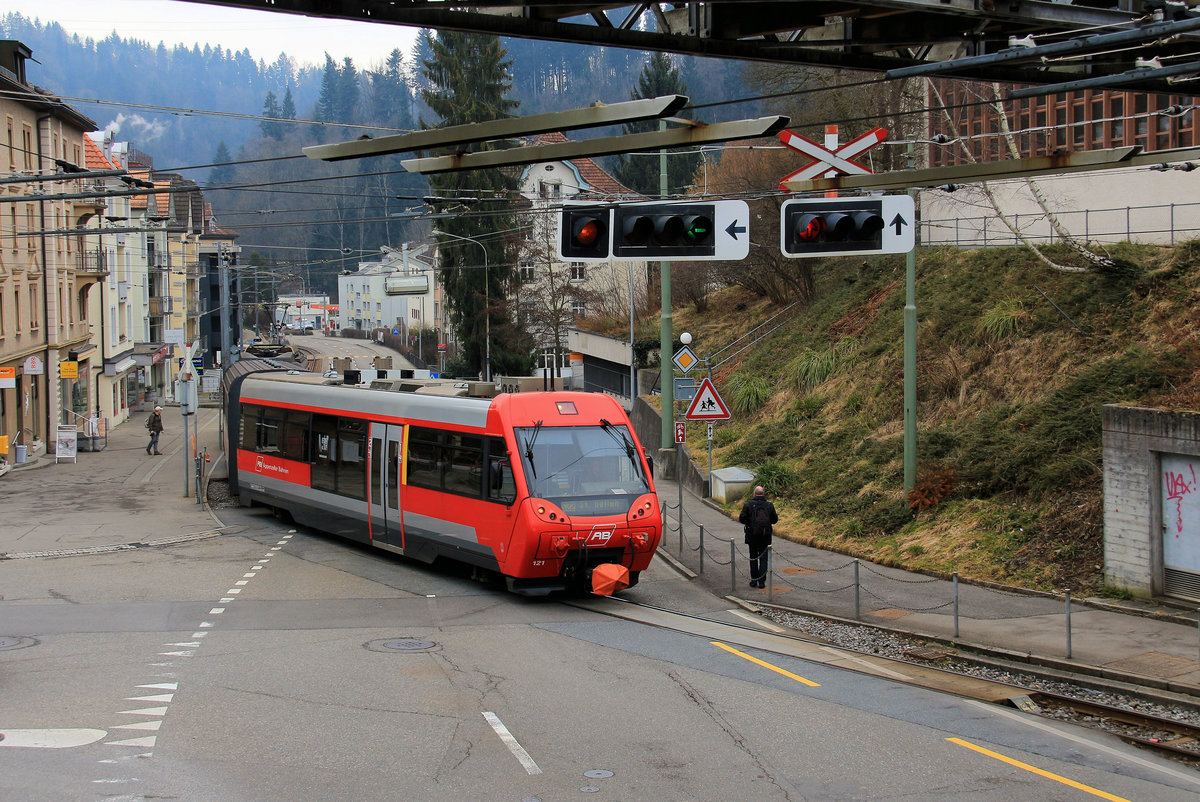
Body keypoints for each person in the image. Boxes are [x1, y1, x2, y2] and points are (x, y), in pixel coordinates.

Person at [739, 485, 778, 588]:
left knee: (753, 557)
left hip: (752, 535)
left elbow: (742, 518)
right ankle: (762, 582)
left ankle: (754, 580)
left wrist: (750, 523)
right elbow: (775, 520)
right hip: (765, 536)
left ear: (754, 494)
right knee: (764, 558)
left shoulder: (748, 504)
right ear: (763, 494)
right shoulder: (769, 505)